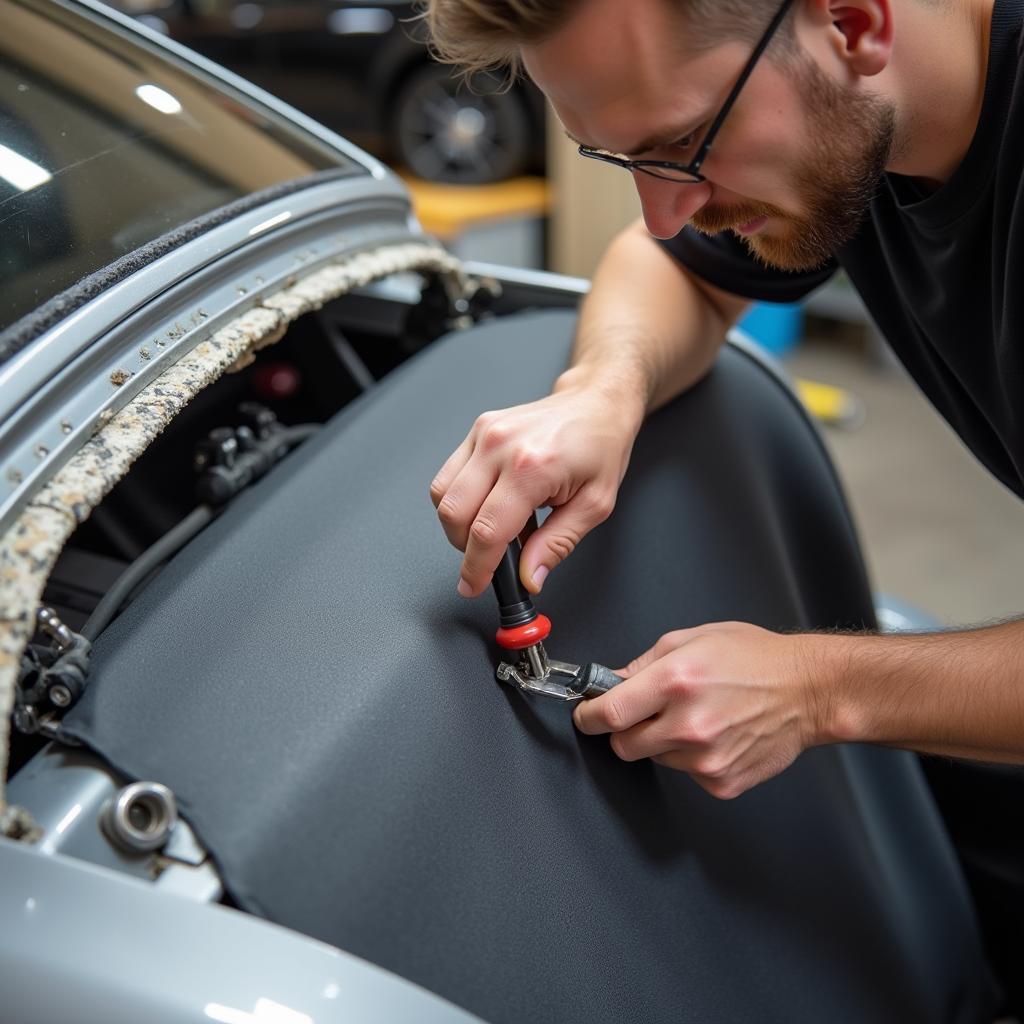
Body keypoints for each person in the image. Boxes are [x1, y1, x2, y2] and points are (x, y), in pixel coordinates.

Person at [424, 0, 1024, 1000]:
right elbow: (668, 268)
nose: (667, 209)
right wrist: (604, 390)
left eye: (682, 146)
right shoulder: (846, 113)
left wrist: (815, 686)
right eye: (627, 164)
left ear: (855, 21)